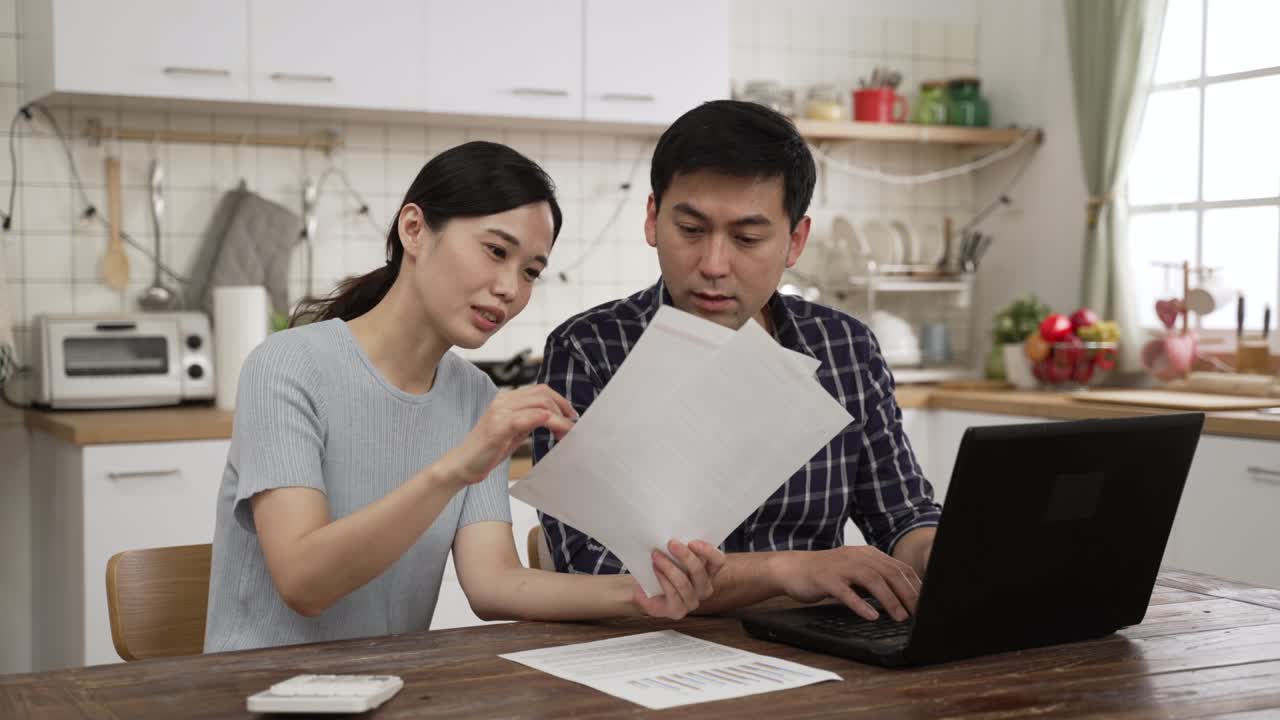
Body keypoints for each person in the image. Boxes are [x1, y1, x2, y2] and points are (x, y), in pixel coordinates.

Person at [204, 141, 725, 653]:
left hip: (388, 690)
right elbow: (304, 583)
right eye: (496, 251)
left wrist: (643, 595)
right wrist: (457, 466)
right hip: (258, 694)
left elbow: (494, 582)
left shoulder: (474, 394)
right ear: (414, 229)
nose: (509, 289)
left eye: (530, 272)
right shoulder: (287, 366)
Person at [533, 101, 940, 624]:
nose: (713, 266)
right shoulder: (589, 350)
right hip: (647, 655)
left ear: (795, 240)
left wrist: (938, 556)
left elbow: (903, 515)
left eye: (747, 238)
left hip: (817, 654)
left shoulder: (846, 349)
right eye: (691, 230)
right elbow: (592, 571)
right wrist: (786, 571)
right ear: (654, 218)